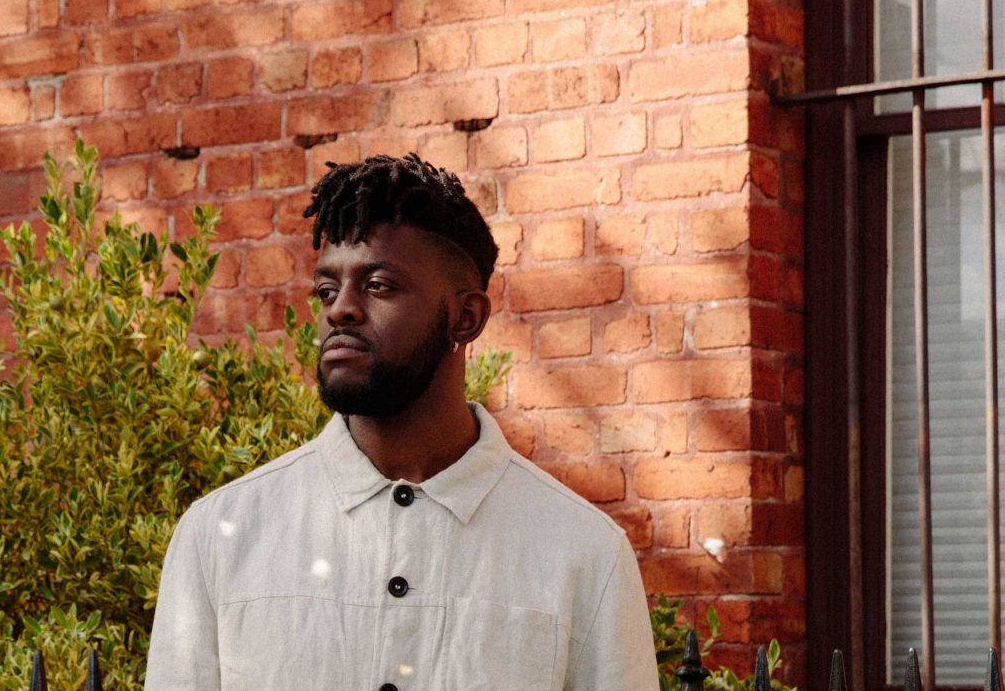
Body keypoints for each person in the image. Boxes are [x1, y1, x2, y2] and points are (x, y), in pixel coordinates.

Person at [145, 154, 658, 690]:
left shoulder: (581, 552)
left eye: (379, 285)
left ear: (466, 317)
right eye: (326, 290)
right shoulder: (221, 537)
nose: (340, 310)